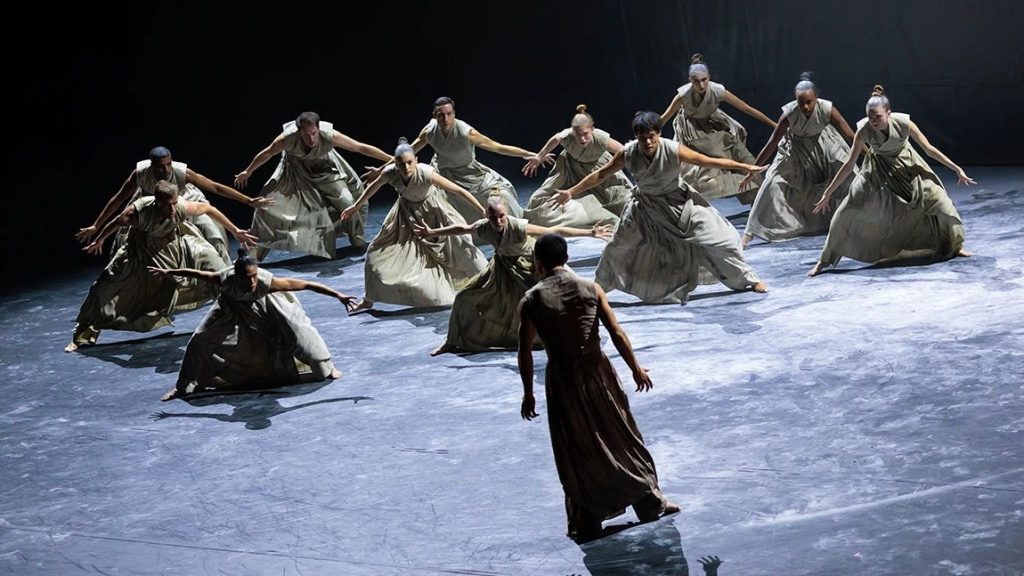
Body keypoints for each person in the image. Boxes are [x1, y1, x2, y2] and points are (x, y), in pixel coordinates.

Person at [518, 234, 680, 543]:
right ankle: (648, 501)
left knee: (578, 449)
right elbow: (615, 331)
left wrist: (529, 392)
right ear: (565, 258)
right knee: (621, 437)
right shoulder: (590, 288)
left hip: (563, 381)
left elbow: (524, 350)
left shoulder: (531, 300)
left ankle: (589, 519)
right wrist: (635, 368)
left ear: (538, 263)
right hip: (597, 375)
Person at [553, 111, 767, 304]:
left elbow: (708, 161)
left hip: (680, 203)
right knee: (619, 245)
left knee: (720, 240)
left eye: (651, 136)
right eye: (642, 137)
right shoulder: (628, 153)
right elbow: (600, 175)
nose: (647, 141)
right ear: (636, 136)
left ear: (658, 133)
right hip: (645, 206)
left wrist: (745, 166)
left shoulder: (672, 149)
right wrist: (571, 192)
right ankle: (598, 288)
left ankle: (749, 280)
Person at [65, 181, 258, 352]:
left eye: (175, 203)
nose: (173, 209)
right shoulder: (136, 212)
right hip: (143, 251)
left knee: (215, 266)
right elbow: (115, 223)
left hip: (178, 243)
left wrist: (235, 230)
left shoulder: (181, 207)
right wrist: (99, 240)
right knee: (105, 287)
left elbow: (208, 210)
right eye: (168, 205)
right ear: (157, 202)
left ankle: (240, 317)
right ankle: (82, 334)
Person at [414, 194, 613, 356]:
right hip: (502, 269)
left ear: (507, 213)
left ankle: (579, 334)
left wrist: (589, 233)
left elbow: (553, 230)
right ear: (487, 214)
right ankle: (452, 341)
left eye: (501, 216)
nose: (498, 221)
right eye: (493, 217)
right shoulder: (484, 226)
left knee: (558, 297)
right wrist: (432, 232)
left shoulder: (517, 226)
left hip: (530, 264)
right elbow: (462, 228)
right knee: (463, 297)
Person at [807, 85, 974, 276]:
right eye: (870, 117)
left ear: (888, 113)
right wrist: (828, 193)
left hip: (909, 167)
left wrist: (956, 168)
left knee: (942, 204)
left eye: (877, 116)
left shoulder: (904, 123)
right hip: (878, 171)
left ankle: (955, 246)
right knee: (846, 210)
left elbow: (928, 149)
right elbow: (848, 164)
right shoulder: (864, 131)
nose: (873, 121)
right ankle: (824, 260)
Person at [150, 249, 357, 402]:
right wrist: (170, 271)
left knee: (297, 331)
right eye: (247, 278)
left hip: (265, 304)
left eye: (254, 276)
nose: (251, 281)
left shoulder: (267, 283)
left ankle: (327, 366)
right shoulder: (224, 280)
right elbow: (196, 274)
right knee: (198, 340)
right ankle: (182, 386)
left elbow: (306, 285)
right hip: (229, 306)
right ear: (236, 276)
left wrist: (338, 295)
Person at [340, 138, 487, 313]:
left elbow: (458, 190)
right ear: (395, 163)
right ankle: (368, 299)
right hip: (406, 216)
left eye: (410, 162)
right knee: (375, 252)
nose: (407, 167)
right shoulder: (390, 173)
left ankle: (489, 283)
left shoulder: (426, 173)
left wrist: (482, 210)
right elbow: (373, 187)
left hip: (434, 211)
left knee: (460, 248)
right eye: (401, 164)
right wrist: (355, 206)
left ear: (416, 160)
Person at [364, 97, 551, 224]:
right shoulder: (429, 131)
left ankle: (504, 229)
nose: (445, 118)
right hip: (444, 174)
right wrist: (381, 170)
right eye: (440, 114)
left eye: (449, 114)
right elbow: (407, 153)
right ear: (434, 115)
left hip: (471, 173)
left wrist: (530, 154)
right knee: (432, 205)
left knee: (502, 198)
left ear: (454, 113)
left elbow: (498, 147)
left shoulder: (465, 132)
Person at [234, 111, 393, 260]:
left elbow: (360, 147)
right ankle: (255, 253)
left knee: (347, 201)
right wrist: (247, 171)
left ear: (319, 128)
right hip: (296, 173)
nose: (311, 139)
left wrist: (391, 159)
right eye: (306, 135)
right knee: (268, 205)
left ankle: (357, 240)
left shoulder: (330, 136)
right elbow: (267, 153)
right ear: (299, 132)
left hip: (325, 170)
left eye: (314, 134)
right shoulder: (287, 138)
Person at [75, 146, 272, 262]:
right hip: (152, 206)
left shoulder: (181, 173)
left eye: (168, 164)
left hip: (184, 201)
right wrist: (96, 226)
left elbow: (215, 187)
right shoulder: (140, 175)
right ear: (152, 166)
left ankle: (226, 275)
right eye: (160, 166)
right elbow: (118, 200)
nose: (165, 169)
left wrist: (248, 201)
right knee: (124, 243)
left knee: (213, 232)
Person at [741, 72, 860, 247]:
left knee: (852, 176)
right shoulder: (789, 114)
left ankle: (860, 221)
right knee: (772, 183)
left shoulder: (827, 109)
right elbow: (772, 143)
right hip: (795, 151)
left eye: (808, 102)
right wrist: (753, 170)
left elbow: (851, 136)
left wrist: (871, 153)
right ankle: (749, 233)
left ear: (816, 98)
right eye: (800, 102)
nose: (804, 107)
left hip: (824, 146)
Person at [659, 53, 777, 203]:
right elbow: (663, 119)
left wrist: (775, 124)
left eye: (704, 80)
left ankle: (758, 201)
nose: (701, 85)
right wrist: (645, 137)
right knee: (696, 172)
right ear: (690, 81)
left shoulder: (717, 90)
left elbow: (746, 108)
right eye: (696, 82)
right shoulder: (683, 95)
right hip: (692, 132)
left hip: (714, 125)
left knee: (745, 158)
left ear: (709, 77)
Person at [521, 104, 633, 228]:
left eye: (586, 134)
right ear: (573, 130)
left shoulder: (600, 138)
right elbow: (556, 138)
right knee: (539, 197)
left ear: (593, 129)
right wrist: (539, 156)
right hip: (570, 167)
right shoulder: (568, 135)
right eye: (578, 134)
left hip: (597, 167)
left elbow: (623, 151)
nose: (582, 138)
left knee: (620, 198)